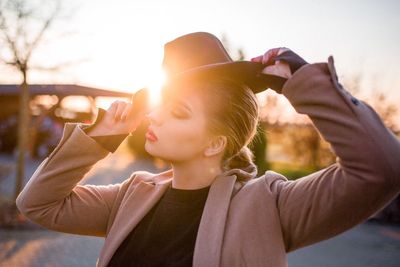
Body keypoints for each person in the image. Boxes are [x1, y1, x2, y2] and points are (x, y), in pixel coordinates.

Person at [16, 32, 400, 267]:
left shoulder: (269, 205)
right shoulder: (130, 195)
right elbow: (38, 205)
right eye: (161, 105)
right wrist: (96, 141)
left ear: (216, 141)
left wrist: (303, 82)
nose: (156, 118)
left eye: (178, 112)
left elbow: (381, 169)